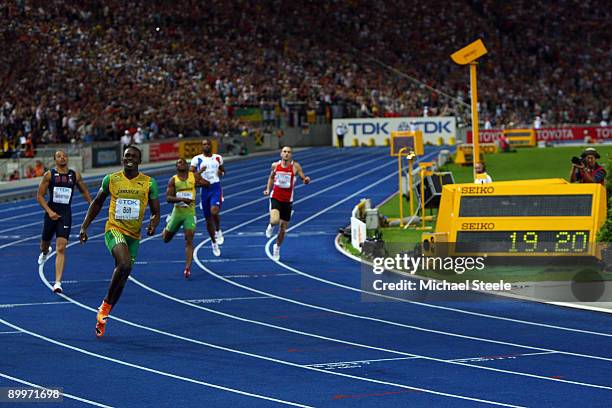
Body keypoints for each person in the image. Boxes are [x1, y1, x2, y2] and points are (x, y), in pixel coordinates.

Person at [79, 145, 160, 337]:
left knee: (123, 276)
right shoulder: (111, 179)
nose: (129, 158)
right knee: (123, 263)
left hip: (134, 236)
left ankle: (103, 315)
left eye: (133, 156)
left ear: (139, 161)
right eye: (126, 156)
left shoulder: (149, 183)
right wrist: (84, 226)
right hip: (114, 230)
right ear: (122, 159)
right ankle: (105, 306)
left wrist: (153, 223)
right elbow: (97, 202)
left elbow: (156, 212)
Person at [36, 150, 92, 293]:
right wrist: (49, 211)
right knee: (44, 244)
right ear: (55, 160)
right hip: (51, 213)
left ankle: (57, 283)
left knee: (61, 247)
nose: (62, 158)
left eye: (65, 156)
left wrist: (92, 204)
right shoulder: (49, 175)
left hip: (65, 214)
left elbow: (84, 191)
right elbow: (40, 196)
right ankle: (45, 251)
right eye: (59, 156)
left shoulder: (74, 175)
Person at [263, 146, 310, 261]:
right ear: (281, 154)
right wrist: (268, 189)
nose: (286, 154)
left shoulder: (295, 166)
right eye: (284, 152)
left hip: (288, 201)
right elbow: (271, 178)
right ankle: (270, 226)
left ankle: (277, 247)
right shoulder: (275, 165)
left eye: (289, 152)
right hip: (276, 197)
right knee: (274, 220)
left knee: (283, 229)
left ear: (291, 155)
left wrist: (306, 180)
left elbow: (303, 177)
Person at [189, 138, 225, 257]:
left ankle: (218, 230)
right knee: (208, 220)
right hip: (204, 190)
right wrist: (199, 176)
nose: (206, 146)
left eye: (208, 144)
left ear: (211, 146)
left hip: (215, 188)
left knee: (214, 211)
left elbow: (223, 171)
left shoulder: (218, 158)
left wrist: (221, 173)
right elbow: (190, 176)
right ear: (201, 146)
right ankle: (214, 242)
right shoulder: (196, 159)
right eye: (204, 144)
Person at [162, 158, 197, 278]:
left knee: (189, 239)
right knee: (166, 239)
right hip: (177, 212)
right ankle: (168, 222)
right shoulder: (173, 180)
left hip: (189, 213)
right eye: (178, 163)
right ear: (176, 167)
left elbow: (206, 183)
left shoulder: (193, 177)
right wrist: (182, 199)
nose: (180, 164)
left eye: (182, 162)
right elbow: (168, 198)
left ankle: (187, 268)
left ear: (187, 166)